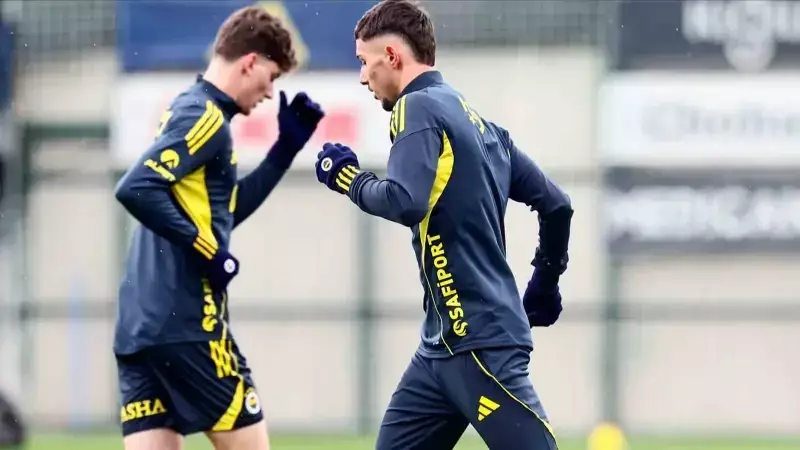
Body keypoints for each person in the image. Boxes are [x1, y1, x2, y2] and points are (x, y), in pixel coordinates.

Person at [314, 0, 573, 448]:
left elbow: (405, 201)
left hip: (479, 343)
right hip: (440, 351)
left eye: (364, 62)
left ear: (392, 56)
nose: (362, 77)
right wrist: (545, 282)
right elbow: (557, 206)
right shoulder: (484, 127)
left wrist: (349, 179)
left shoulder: (415, 107)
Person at [113, 6, 324, 450]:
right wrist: (208, 251)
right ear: (249, 62)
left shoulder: (187, 108)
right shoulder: (205, 118)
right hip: (188, 325)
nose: (270, 92)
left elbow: (220, 213)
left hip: (139, 330)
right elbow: (136, 188)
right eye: (270, 77)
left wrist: (283, 150)